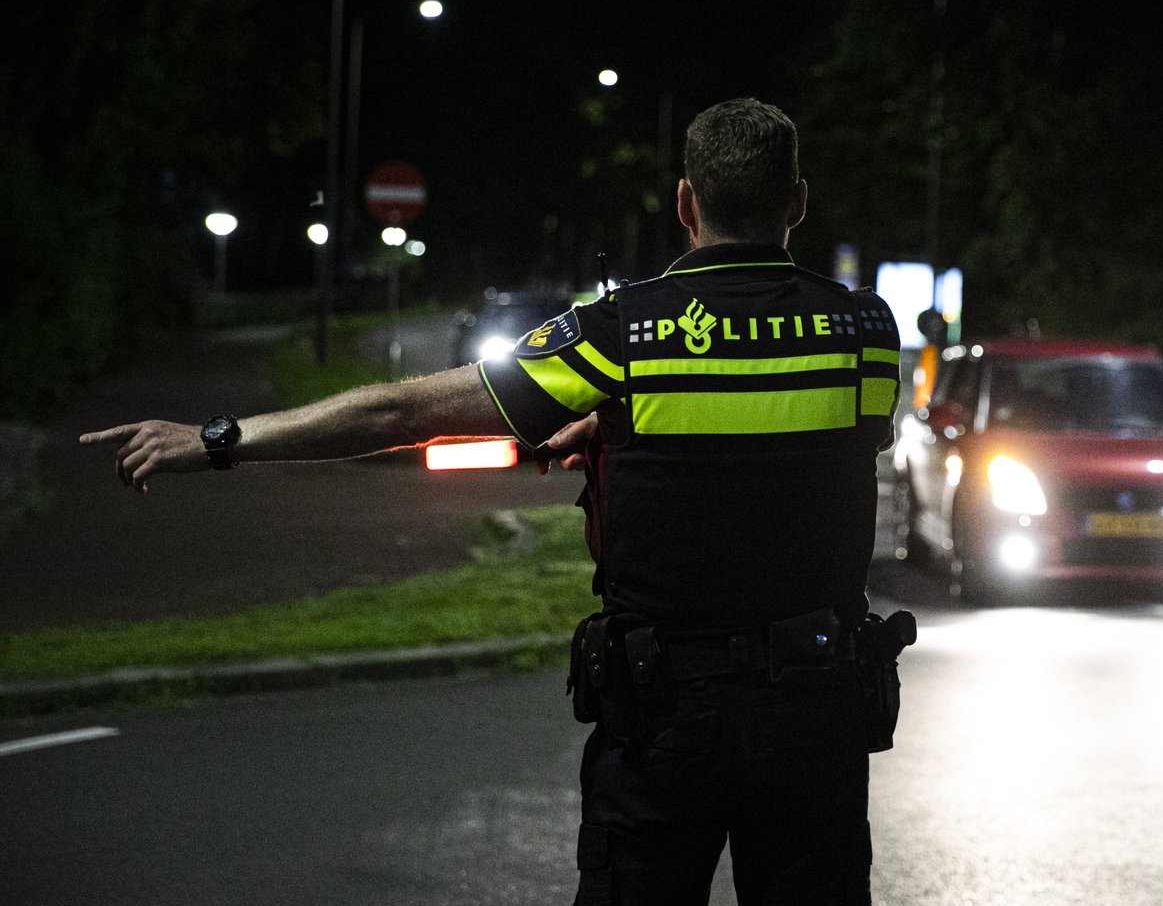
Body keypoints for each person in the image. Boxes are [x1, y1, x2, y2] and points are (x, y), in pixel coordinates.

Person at [82, 97, 908, 906]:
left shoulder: (622, 333)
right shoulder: (865, 331)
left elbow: (403, 411)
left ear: (686, 203)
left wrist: (221, 437)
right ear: (796, 202)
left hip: (665, 717)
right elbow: (793, 441)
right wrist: (626, 430)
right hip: (815, 714)